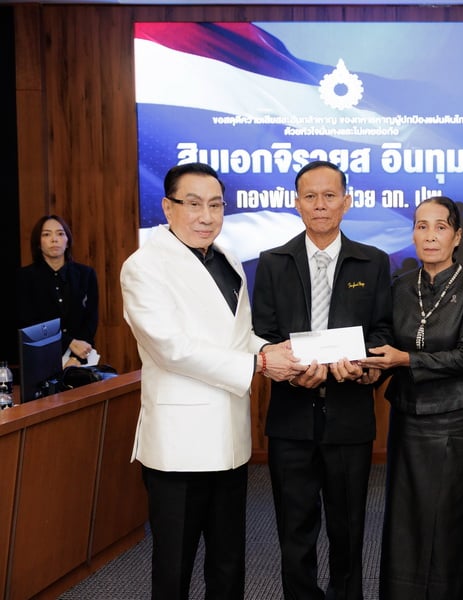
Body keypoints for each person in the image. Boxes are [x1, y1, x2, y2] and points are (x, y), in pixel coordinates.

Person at [120, 162, 304, 600]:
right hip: (179, 446)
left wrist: (272, 350)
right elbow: (172, 349)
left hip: (229, 439)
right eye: (194, 204)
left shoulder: (225, 257)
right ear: (168, 207)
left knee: (228, 560)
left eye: (216, 205)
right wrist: (260, 364)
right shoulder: (144, 266)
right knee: (175, 565)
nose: (207, 216)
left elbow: (238, 335)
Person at [251, 160, 393, 600]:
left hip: (349, 416)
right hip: (290, 418)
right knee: (294, 528)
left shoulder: (373, 262)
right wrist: (292, 374)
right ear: (296, 204)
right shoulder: (273, 263)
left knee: (348, 527)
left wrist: (366, 368)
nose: (320, 205)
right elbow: (263, 335)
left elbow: (383, 331)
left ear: (346, 202)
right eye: (310, 196)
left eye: (329, 196)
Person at [359, 196, 463, 600]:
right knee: (403, 519)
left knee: (446, 520)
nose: (430, 235)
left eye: (440, 226)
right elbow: (383, 345)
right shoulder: (400, 286)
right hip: (406, 417)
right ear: (413, 234)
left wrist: (405, 359)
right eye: (421, 226)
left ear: (457, 236)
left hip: (451, 421)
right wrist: (370, 368)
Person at [16, 215, 99, 368]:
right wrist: (69, 342)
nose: (54, 239)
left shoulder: (86, 274)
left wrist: (75, 358)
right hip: (40, 357)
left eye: (60, 234)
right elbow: (29, 322)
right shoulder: (24, 277)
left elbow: (91, 320)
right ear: (38, 243)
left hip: (81, 357)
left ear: (68, 241)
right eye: (46, 234)